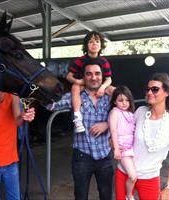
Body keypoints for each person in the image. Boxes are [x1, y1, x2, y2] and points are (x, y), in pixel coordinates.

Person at [47, 61, 114, 200]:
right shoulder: (75, 96)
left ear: (102, 77)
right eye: (89, 74)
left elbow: (128, 110)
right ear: (83, 77)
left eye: (97, 74)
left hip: (105, 156)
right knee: (80, 196)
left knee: (106, 195)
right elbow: (51, 105)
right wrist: (39, 87)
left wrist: (107, 124)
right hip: (82, 156)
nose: (93, 77)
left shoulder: (110, 96)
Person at [115, 73, 169, 200]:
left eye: (154, 89)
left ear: (167, 92)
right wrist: (110, 135)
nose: (149, 92)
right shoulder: (140, 111)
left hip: (150, 178)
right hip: (124, 173)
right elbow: (122, 127)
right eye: (147, 89)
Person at [66, 31, 115, 133]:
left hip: (100, 85)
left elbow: (109, 79)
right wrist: (79, 82)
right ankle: (77, 117)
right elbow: (69, 76)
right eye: (91, 42)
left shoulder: (104, 61)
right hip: (84, 85)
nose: (94, 44)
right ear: (86, 45)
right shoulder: (80, 60)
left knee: (114, 90)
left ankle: (115, 116)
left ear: (101, 45)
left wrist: (102, 88)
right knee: (75, 87)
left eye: (97, 41)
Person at [108, 86, 136, 200]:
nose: (124, 103)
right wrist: (116, 149)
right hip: (123, 148)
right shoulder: (115, 112)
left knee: (133, 173)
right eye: (120, 100)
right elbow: (113, 130)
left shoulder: (130, 113)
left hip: (132, 147)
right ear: (115, 101)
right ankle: (129, 194)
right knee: (133, 176)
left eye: (127, 100)